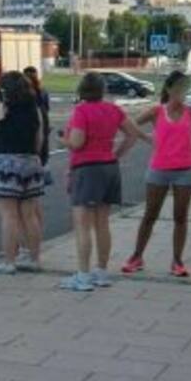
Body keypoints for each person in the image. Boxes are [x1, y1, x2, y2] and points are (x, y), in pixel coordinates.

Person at [61, 72, 143, 292]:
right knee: (102, 224)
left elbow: (77, 143)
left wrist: (64, 140)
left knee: (82, 225)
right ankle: (101, 272)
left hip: (87, 169)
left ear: (82, 90)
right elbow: (133, 133)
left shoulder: (81, 111)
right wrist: (116, 154)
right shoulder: (114, 109)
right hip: (109, 167)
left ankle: (83, 276)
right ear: (102, 89)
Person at [122, 70, 191, 278]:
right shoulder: (157, 111)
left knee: (180, 217)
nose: (183, 92)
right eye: (180, 88)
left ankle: (178, 261)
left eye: (186, 88)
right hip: (159, 170)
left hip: (185, 171)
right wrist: (147, 139)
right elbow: (129, 124)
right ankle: (136, 257)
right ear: (169, 89)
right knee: (150, 215)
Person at [0, 71, 44, 274]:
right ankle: (34, 257)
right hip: (31, 160)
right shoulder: (33, 108)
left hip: (6, 161)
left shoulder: (3, 106)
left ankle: (9, 261)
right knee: (30, 214)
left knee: (8, 215)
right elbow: (39, 137)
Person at [22, 66, 52, 262]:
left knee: (26, 208)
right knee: (34, 204)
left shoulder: (29, 106)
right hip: (41, 156)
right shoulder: (42, 101)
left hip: (31, 157)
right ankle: (36, 244)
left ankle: (28, 248)